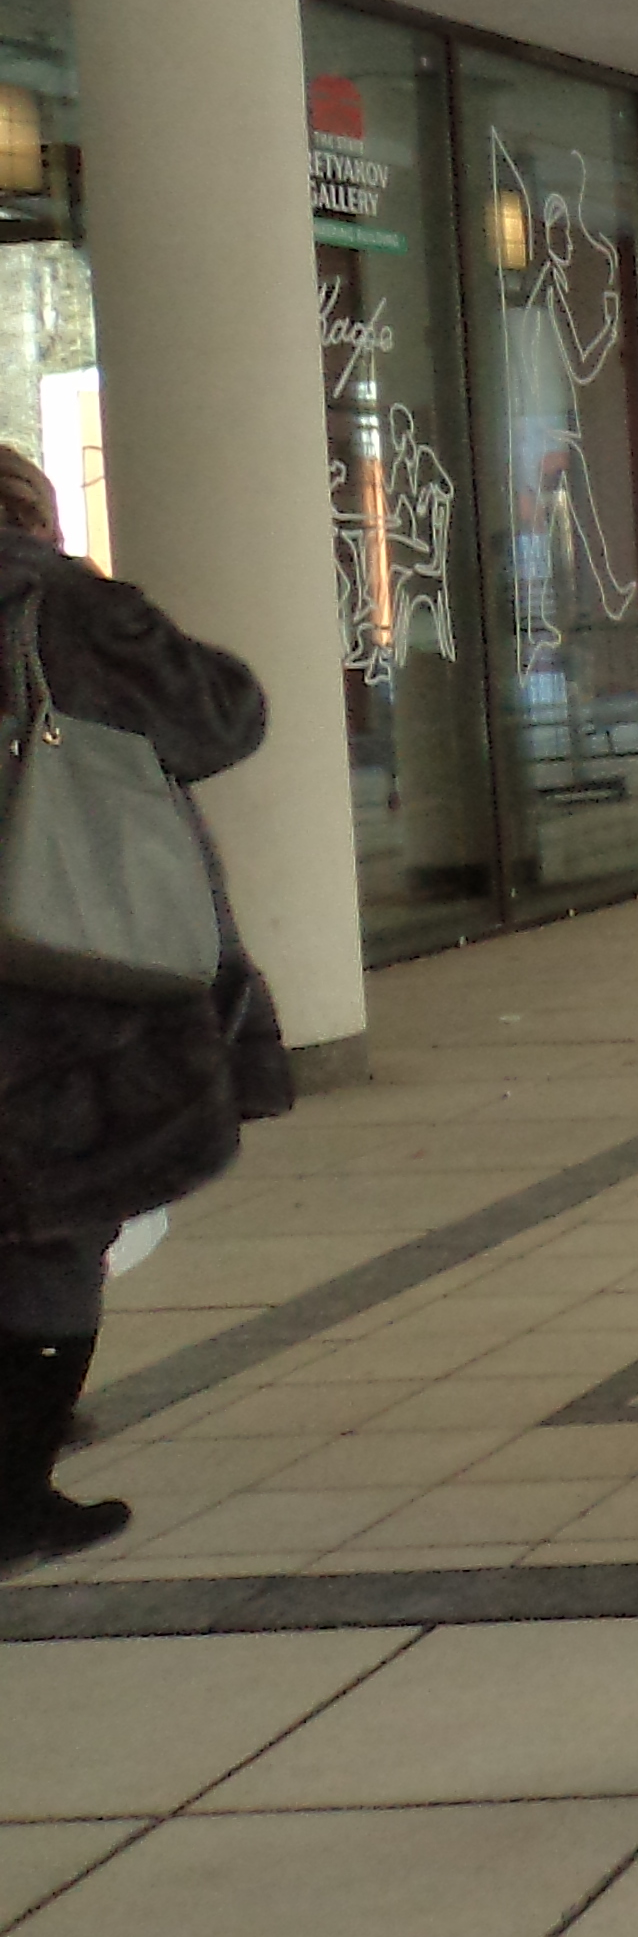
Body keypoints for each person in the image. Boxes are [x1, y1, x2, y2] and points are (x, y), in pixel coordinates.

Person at [0, 446, 291, 1573]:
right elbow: (223, 717)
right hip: (63, 979)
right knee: (51, 1233)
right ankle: (15, 1497)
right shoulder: (70, 611)